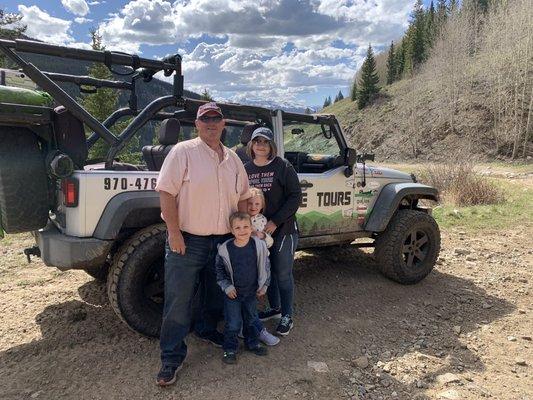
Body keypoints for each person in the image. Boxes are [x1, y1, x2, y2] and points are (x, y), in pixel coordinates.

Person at [155, 102, 251, 386]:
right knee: (178, 300)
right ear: (196, 125)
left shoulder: (233, 159)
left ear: (224, 124)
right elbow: (165, 193)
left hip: (223, 241)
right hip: (188, 240)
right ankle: (171, 357)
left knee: (215, 293)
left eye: (216, 119)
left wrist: (240, 231)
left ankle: (207, 330)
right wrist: (174, 233)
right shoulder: (183, 152)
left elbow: (244, 195)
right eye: (205, 119)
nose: (211, 124)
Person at [244, 127, 302, 336]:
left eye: (265, 142)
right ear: (251, 145)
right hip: (256, 233)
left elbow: (295, 197)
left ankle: (287, 316)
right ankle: (275, 308)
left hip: (283, 230)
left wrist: (275, 222)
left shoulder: (283, 166)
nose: (260, 145)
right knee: (268, 271)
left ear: (271, 146)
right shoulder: (246, 169)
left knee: (283, 273)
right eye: (257, 141)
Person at [216, 212, 270, 363]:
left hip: (251, 292)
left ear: (251, 227)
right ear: (232, 230)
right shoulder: (225, 250)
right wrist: (227, 287)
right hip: (232, 294)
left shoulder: (258, 246)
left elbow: (266, 266)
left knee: (251, 319)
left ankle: (252, 343)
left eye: (246, 226)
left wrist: (264, 285)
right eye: (237, 228)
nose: (242, 230)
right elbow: (219, 271)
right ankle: (230, 349)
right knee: (233, 323)